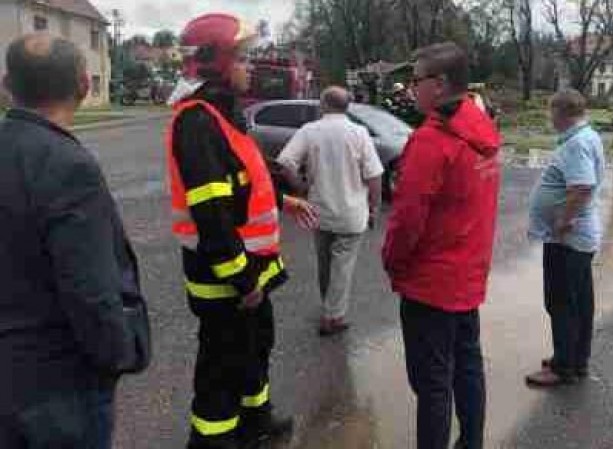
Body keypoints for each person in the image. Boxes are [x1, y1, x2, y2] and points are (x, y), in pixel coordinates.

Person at [166, 14, 318, 449]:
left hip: (251, 269)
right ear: (216, 60)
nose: (250, 65)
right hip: (225, 277)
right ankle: (213, 440)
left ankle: (256, 422)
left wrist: (282, 199)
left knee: (256, 348)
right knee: (222, 364)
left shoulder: (223, 113)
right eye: (243, 56)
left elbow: (244, 181)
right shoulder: (197, 121)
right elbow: (211, 211)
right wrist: (241, 278)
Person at [0, 34, 143, 448]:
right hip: (57, 389)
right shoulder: (67, 165)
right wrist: (119, 355)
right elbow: (91, 289)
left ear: (8, 85)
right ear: (84, 85)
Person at [382, 42, 501, 449]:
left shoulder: (431, 142)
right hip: (468, 276)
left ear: (441, 83)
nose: (411, 88)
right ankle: (471, 442)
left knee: (432, 384)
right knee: (467, 367)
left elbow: (406, 219)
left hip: (430, 284)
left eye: (417, 80)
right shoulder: (482, 129)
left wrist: (392, 262)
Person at [278, 86, 384, 336]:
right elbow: (375, 176)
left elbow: (285, 164)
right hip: (351, 214)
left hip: (319, 211)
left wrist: (302, 188)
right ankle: (332, 316)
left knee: (326, 265)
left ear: (323, 104)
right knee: (341, 267)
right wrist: (374, 207)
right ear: (346, 106)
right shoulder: (359, 133)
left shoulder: (309, 131)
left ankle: (330, 309)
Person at [526, 89, 606, 387]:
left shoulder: (576, 144)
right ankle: (575, 359)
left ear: (561, 112)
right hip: (577, 238)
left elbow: (582, 186)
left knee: (561, 302)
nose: (550, 119)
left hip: (569, 238)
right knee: (579, 302)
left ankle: (562, 368)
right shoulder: (587, 137)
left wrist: (562, 221)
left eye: (551, 112)